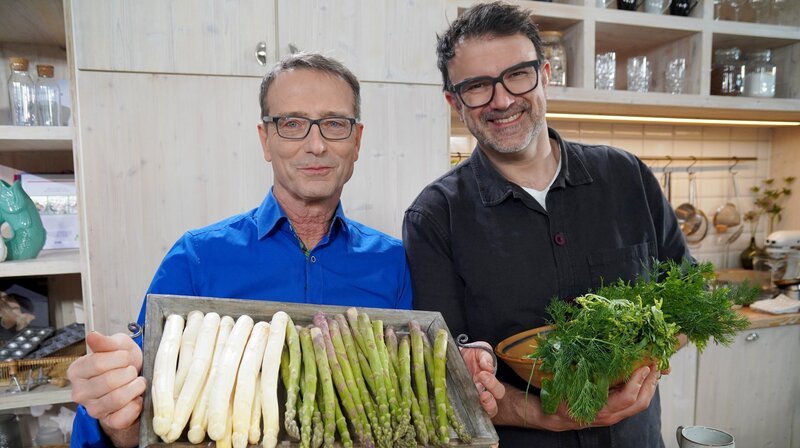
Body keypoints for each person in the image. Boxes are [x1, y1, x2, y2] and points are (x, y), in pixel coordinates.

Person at [68, 53, 413, 448]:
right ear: (266, 140)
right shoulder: (197, 258)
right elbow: (140, 411)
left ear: (356, 141)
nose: (315, 145)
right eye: (292, 124)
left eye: (335, 124)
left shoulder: (394, 262)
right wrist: (116, 417)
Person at [403, 2, 691, 446]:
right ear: (454, 102)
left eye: (518, 74)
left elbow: (689, 303)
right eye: (478, 86)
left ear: (546, 73)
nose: (502, 100)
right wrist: (543, 415)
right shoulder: (433, 218)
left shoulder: (627, 176)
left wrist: (648, 358)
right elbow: (448, 373)